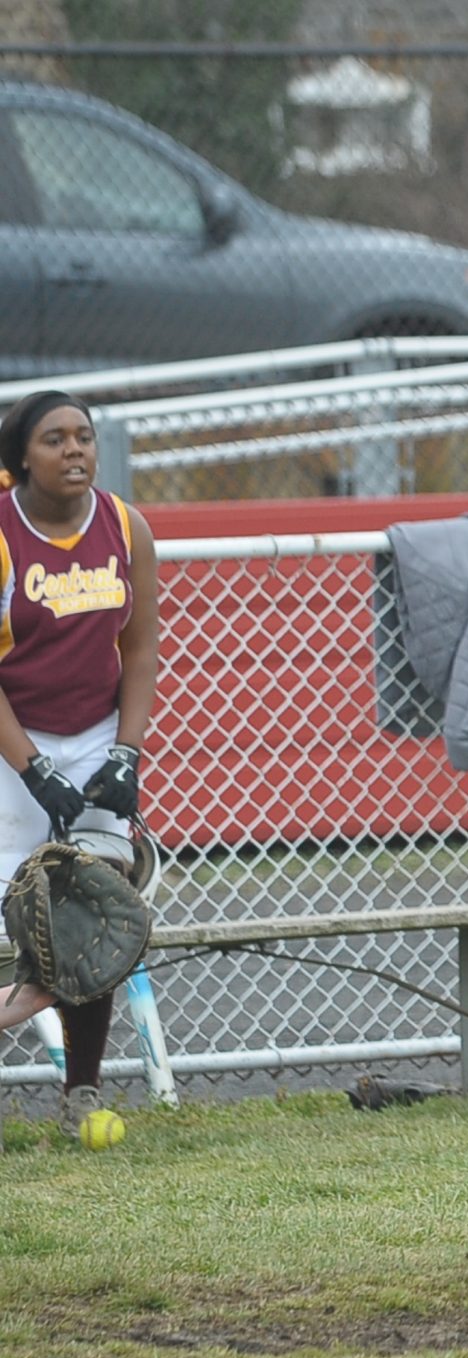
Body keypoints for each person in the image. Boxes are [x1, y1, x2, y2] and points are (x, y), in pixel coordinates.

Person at [0, 391, 159, 1150]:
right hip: (12, 741)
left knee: (94, 908)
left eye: (84, 437)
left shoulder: (125, 526)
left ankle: (81, 1092)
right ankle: (27, 999)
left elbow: (140, 650)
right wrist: (32, 770)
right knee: (14, 914)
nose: (74, 451)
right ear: (19, 458)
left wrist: (124, 754)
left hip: (96, 736)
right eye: (54, 439)